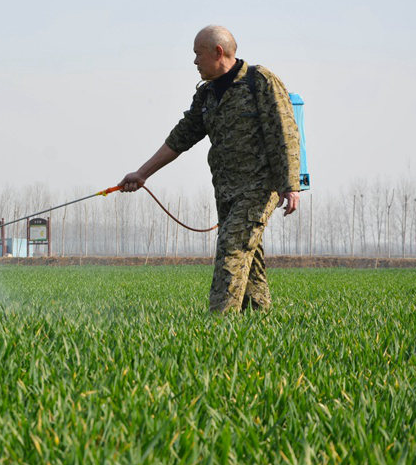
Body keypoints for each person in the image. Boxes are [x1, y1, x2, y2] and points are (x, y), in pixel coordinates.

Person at [119, 25, 300, 313]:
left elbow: (285, 134)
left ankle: (218, 326)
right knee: (248, 261)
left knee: (231, 250)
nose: (194, 62)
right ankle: (260, 322)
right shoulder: (207, 95)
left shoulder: (260, 81)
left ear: (218, 52)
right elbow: (180, 138)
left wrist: (291, 185)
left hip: (259, 189)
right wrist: (142, 174)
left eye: (197, 54)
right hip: (226, 193)